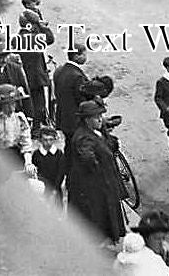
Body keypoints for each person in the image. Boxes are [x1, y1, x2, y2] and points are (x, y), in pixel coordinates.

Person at [68, 98, 126, 245]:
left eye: (100, 116)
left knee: (109, 208)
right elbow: (87, 157)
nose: (100, 119)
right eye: (96, 117)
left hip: (106, 180)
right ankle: (104, 240)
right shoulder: (83, 137)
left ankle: (110, 236)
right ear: (87, 120)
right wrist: (97, 164)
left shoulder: (95, 131)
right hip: (97, 184)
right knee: (101, 212)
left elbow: (106, 143)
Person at [0, 83, 37, 190]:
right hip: (1, 157)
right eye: (7, 104)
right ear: (1, 106)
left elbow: (26, 142)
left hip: (18, 154)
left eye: (13, 103)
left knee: (32, 183)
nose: (11, 107)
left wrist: (28, 162)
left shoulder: (20, 118)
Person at [16, 9, 54, 135]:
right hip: (36, 76)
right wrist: (43, 27)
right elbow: (50, 39)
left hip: (23, 75)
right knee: (39, 103)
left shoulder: (17, 38)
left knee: (29, 102)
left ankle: (33, 126)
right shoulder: (35, 38)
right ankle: (36, 128)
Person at [53, 43, 88, 177]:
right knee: (79, 149)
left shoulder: (60, 71)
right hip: (75, 120)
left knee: (69, 147)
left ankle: (68, 173)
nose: (85, 57)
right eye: (84, 54)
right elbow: (82, 100)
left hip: (63, 118)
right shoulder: (77, 76)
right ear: (77, 56)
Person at [130, 211, 169, 275]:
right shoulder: (134, 258)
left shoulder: (166, 255)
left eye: (163, 238)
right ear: (145, 238)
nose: (161, 243)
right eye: (157, 239)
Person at [31, 126, 64, 205]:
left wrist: (55, 189)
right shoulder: (37, 154)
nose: (48, 142)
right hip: (42, 188)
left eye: (51, 140)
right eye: (45, 140)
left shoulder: (59, 153)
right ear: (40, 140)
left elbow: (61, 172)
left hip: (56, 187)